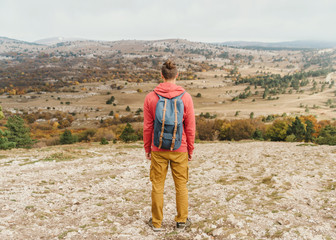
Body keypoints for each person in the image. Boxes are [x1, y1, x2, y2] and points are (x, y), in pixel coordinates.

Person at [143, 59, 195, 232]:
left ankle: (156, 223)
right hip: (180, 148)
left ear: (161, 76)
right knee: (181, 185)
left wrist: (147, 148)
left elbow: (148, 127)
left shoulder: (151, 97)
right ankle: (181, 221)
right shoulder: (186, 97)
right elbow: (190, 127)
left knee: (157, 185)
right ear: (177, 75)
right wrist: (190, 149)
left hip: (158, 148)